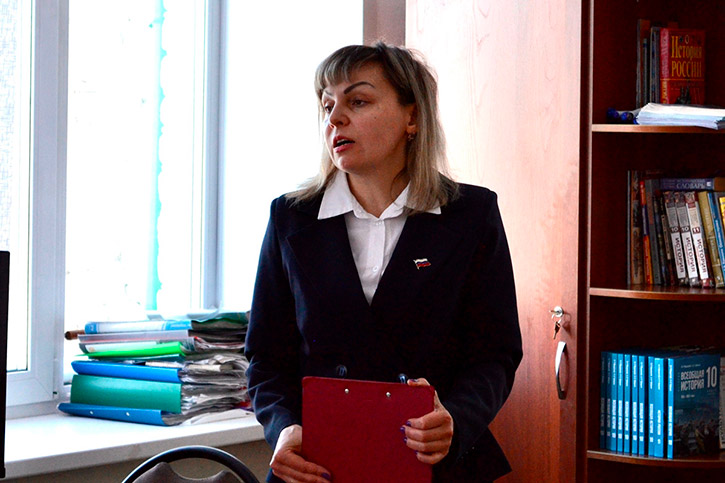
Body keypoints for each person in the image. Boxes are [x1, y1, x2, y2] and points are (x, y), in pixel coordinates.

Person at [244, 42, 522, 483]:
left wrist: (455, 419)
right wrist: (282, 428)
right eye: (328, 105)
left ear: (412, 117)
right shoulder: (291, 218)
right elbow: (265, 356)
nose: (335, 118)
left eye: (357, 101)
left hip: (434, 464)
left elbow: (495, 353)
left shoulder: (471, 214)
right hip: (319, 464)